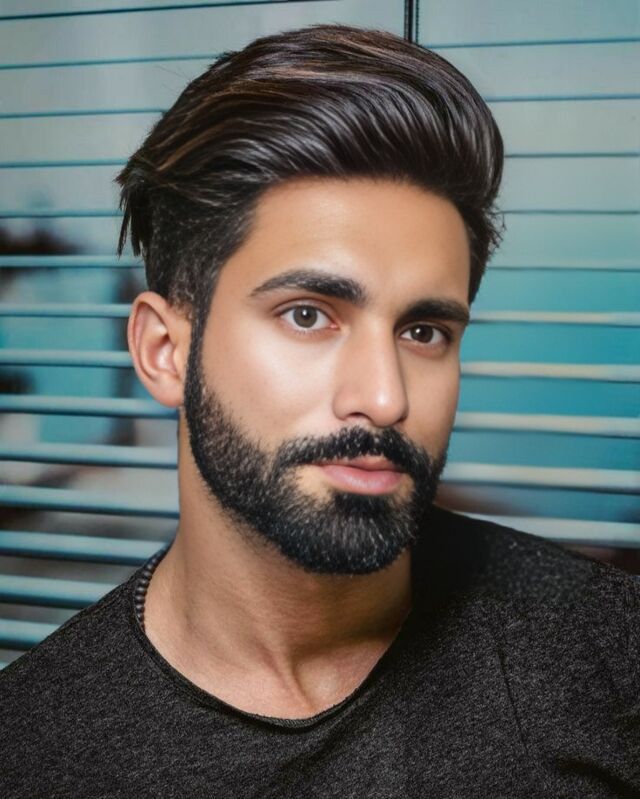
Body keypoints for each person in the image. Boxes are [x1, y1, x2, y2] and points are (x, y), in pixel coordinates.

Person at [1, 24, 638, 798]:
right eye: (308, 315)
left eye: (423, 330)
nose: (385, 397)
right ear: (164, 351)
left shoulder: (609, 656)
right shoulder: (32, 753)